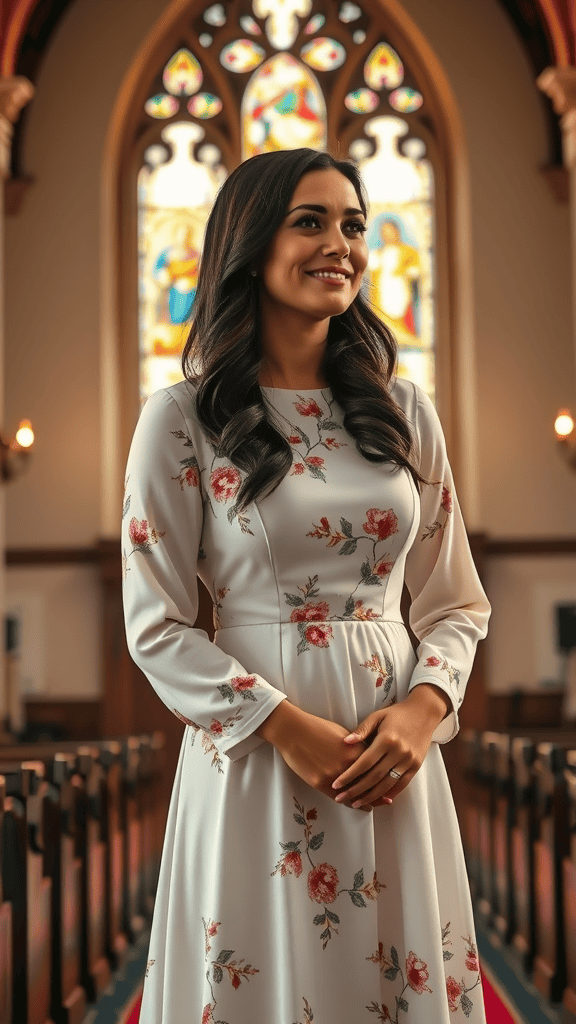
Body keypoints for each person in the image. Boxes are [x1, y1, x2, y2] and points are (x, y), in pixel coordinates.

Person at [122, 147, 491, 1024]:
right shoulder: (182, 419)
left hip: (392, 755)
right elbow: (156, 625)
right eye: (311, 221)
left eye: (354, 224)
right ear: (250, 246)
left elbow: (456, 601)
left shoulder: (405, 410)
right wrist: (285, 729)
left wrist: (422, 711)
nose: (343, 245)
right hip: (257, 751)